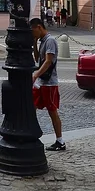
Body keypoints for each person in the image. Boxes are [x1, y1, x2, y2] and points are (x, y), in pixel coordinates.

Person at [30, 18, 65, 151]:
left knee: (52, 111)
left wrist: (36, 74)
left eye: (33, 31)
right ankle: (32, 133)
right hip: (41, 83)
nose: (33, 34)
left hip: (49, 83)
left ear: (39, 27)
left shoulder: (50, 41)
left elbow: (48, 61)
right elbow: (38, 58)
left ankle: (60, 141)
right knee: (32, 106)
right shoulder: (42, 41)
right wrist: (34, 43)